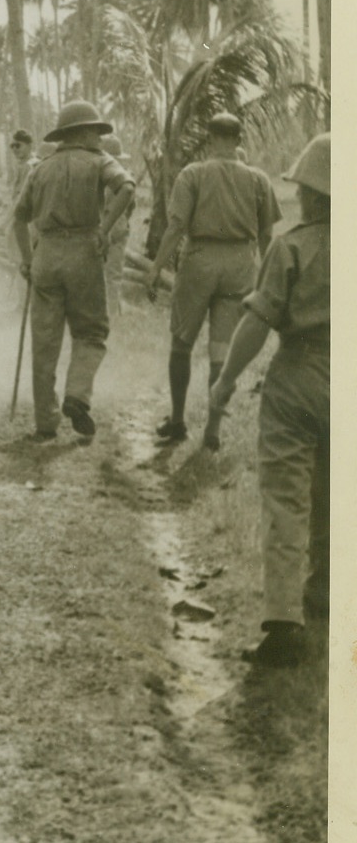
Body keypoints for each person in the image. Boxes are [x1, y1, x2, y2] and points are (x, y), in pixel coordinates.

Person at [208, 133, 329, 666]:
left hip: (298, 375)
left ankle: (284, 624)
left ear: (313, 195)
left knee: (286, 500)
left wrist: (226, 381)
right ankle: (324, 597)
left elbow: (257, 323)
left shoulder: (292, 245)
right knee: (336, 497)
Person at [146, 112, 281, 446]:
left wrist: (154, 269)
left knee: (182, 343)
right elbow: (266, 237)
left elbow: (176, 227)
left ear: (210, 140)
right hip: (239, 264)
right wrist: (269, 280)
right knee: (222, 350)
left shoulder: (193, 174)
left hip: (199, 261)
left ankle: (177, 421)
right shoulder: (258, 179)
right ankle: (214, 428)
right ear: (238, 140)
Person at [14, 101, 135, 440]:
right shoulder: (99, 160)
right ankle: (77, 396)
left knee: (44, 342)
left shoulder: (40, 168)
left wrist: (26, 259)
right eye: (95, 130)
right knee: (91, 333)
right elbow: (126, 187)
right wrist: (105, 229)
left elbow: (18, 218)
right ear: (81, 132)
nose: (99, 136)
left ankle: (45, 422)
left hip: (47, 254)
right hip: (84, 250)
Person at [101, 134, 134, 316]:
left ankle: (111, 313)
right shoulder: (125, 178)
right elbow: (130, 207)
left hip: (108, 229)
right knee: (112, 276)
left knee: (110, 275)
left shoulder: (107, 178)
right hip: (115, 229)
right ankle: (111, 312)